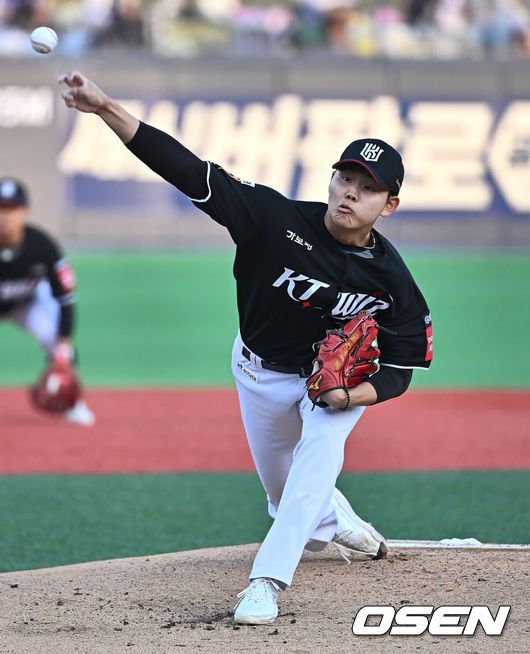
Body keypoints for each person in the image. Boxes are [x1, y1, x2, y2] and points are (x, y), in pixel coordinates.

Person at [58, 70, 433, 623]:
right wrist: (105, 106)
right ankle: (337, 520)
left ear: (389, 204)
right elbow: (187, 170)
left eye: (368, 187)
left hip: (328, 386)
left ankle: (265, 583)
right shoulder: (272, 218)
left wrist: (351, 396)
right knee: (290, 503)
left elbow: (400, 368)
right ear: (331, 179)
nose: (351, 192)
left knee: (321, 452)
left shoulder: (391, 280)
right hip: (258, 373)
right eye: (345, 177)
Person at [0, 177, 95, 427]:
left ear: (25, 211)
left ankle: (72, 402)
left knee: (59, 342)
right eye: (1, 208)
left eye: (12, 208)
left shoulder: (42, 246)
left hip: (25, 305)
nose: (6, 216)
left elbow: (65, 297)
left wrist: (63, 347)